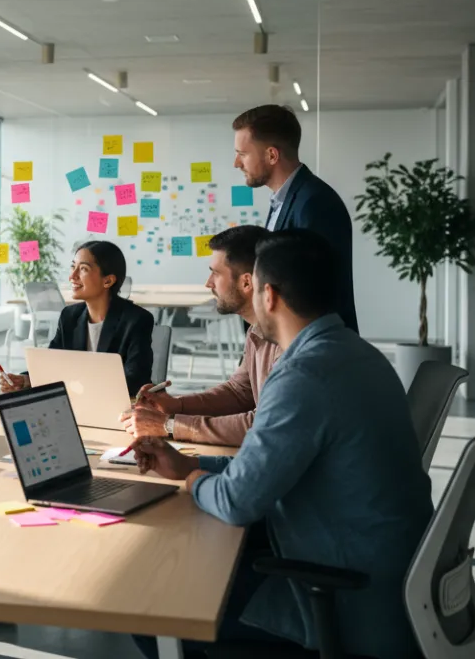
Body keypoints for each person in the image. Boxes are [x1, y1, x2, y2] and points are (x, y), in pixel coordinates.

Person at [129, 230, 432, 659]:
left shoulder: (304, 376)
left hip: (345, 597)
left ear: (267, 295)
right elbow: (267, 465)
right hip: (385, 577)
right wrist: (185, 464)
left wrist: (191, 476)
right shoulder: (356, 354)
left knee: (155, 608)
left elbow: (237, 502)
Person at [121, 225, 279, 447]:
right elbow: (239, 392)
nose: (208, 283)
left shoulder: (288, 343)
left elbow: (263, 425)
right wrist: (175, 405)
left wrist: (168, 425)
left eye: (215, 272)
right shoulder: (256, 330)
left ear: (246, 282)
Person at [232, 104, 359, 334]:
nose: (237, 163)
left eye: (242, 154)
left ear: (272, 155)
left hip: (315, 351)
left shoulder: (315, 203)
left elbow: (315, 294)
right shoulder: (284, 200)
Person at [0, 240, 154, 398]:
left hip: (117, 409)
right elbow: (52, 363)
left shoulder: (137, 320)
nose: (72, 276)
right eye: (73, 266)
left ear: (108, 280)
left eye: (83, 269)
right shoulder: (69, 316)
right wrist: (25, 380)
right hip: (76, 403)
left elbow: (135, 381)